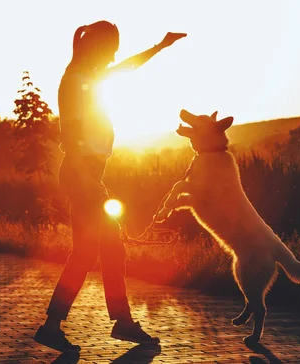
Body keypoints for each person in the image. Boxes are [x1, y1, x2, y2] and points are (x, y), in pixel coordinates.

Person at [34, 20, 187, 353]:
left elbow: (127, 67)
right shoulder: (75, 81)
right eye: (111, 47)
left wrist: (160, 47)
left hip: (88, 174)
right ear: (96, 47)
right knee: (90, 252)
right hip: (80, 172)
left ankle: (112, 323)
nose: (114, 53)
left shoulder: (91, 76)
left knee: (104, 251)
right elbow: (71, 138)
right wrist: (89, 181)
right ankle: (90, 323)